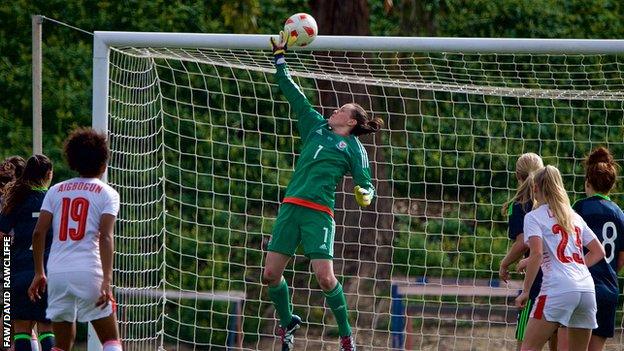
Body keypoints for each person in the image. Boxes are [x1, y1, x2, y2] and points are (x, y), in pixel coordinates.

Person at [263, 32, 383, 351]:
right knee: (270, 274)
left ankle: (346, 335)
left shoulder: (354, 149)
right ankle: (287, 322)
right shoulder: (315, 125)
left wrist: (365, 194)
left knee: (325, 278)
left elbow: (366, 184)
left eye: (341, 109)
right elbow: (293, 92)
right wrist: (279, 58)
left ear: (352, 120)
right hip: (291, 207)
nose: (334, 110)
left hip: (319, 214)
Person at [28, 128, 122, 351]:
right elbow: (106, 236)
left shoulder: (56, 191)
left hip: (57, 274)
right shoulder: (107, 193)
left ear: (73, 160)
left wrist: (39, 272)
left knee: (61, 345)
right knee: (110, 340)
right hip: (89, 271)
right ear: (103, 162)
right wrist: (107, 279)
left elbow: (38, 233)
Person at [515, 165, 605, 351]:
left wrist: (525, 290)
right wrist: (574, 270)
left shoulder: (534, 217)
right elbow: (599, 252)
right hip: (586, 289)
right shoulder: (574, 216)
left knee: (528, 348)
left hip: (557, 289)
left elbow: (537, 253)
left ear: (536, 188)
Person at [499, 153, 558, 351]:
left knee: (524, 345)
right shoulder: (557, 207)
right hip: (561, 281)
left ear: (517, 176)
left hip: (537, 284)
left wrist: (505, 263)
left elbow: (523, 242)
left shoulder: (518, 205)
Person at [0, 155, 56, 351]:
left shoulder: (17, 199)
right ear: (49, 174)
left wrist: (10, 251)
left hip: (20, 270)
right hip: (47, 271)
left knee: (21, 329)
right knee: (46, 328)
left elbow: (2, 233)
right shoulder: (54, 198)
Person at [571, 147, 624, 351]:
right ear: (611, 186)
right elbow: (620, 260)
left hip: (582, 287)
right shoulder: (620, 214)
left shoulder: (579, 208)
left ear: (587, 183)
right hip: (608, 289)